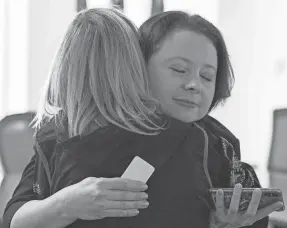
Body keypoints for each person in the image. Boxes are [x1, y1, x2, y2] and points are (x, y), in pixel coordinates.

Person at [2, 9, 283, 228]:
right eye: (178, 69)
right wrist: (68, 203)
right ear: (136, 67)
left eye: (207, 76)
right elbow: (15, 216)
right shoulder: (63, 133)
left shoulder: (216, 143)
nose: (195, 85)